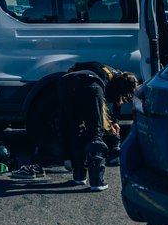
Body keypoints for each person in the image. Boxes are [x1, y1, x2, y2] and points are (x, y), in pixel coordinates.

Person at [57, 62, 137, 191]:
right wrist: (109, 124)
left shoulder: (110, 72)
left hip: (65, 84)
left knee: (75, 128)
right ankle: (97, 182)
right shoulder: (109, 80)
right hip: (91, 85)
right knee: (95, 132)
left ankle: (79, 176)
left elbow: (117, 102)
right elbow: (114, 102)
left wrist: (66, 155)